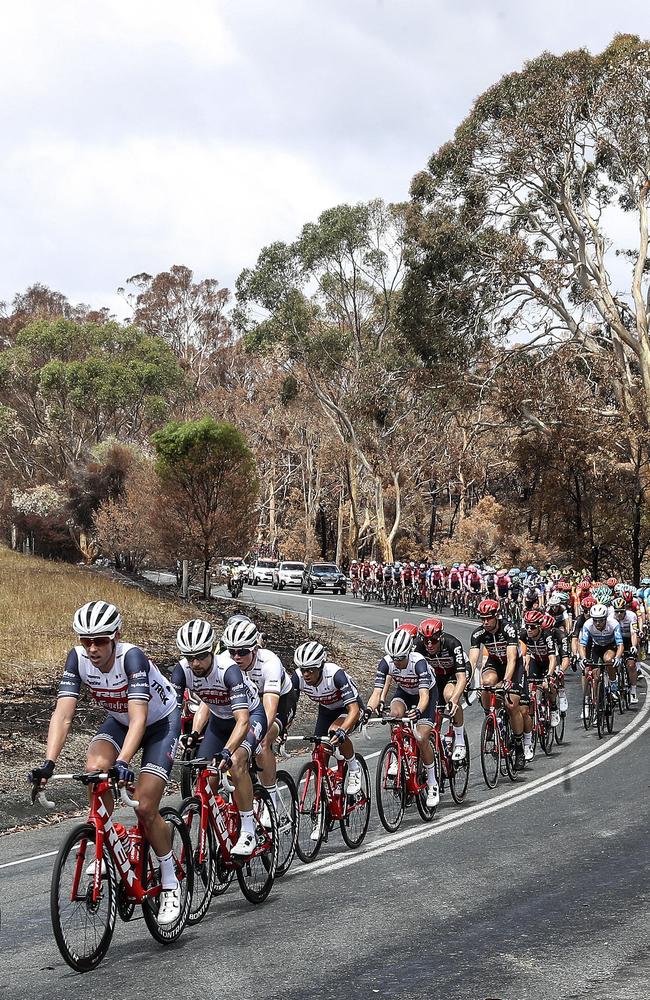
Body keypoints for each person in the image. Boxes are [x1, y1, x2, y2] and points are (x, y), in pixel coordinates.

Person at [28, 601, 182, 924]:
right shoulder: (78, 659)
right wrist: (48, 763)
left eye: (99, 641)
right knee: (95, 768)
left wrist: (125, 761)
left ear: (116, 637)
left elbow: (140, 719)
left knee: (143, 805)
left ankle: (170, 879)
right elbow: (63, 714)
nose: (92, 648)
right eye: (86, 640)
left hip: (159, 723)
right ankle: (105, 842)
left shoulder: (132, 658)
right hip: (120, 721)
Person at [171, 618, 267, 856]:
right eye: (189, 657)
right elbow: (171, 714)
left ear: (212, 649)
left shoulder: (229, 670)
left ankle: (247, 831)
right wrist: (189, 734)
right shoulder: (182, 670)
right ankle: (219, 829)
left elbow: (243, 721)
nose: (195, 663)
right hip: (219, 720)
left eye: (200, 656)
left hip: (250, 716)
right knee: (206, 779)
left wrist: (227, 751)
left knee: (235, 763)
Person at [365, 628, 439, 807]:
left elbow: (424, 697)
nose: (396, 662)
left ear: (408, 653)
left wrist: (419, 712)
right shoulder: (386, 662)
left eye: (400, 658)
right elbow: (376, 693)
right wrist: (368, 710)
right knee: (394, 715)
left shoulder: (418, 662)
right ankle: (399, 755)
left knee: (421, 737)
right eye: (393, 658)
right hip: (405, 692)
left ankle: (432, 782)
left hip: (426, 694)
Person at [292, 640, 363, 795]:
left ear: (320, 666)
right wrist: (282, 728)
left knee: (335, 731)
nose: (305, 674)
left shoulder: (335, 674)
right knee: (319, 754)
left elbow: (354, 710)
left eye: (310, 670)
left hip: (349, 708)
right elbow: (289, 708)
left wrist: (343, 730)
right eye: (303, 669)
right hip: (326, 711)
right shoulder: (298, 677)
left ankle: (353, 767)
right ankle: (324, 805)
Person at [468, 598, 527, 770]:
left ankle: (519, 747)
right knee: (486, 684)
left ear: (496, 616)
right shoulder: (478, 634)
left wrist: (507, 681)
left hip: (512, 667)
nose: (485, 622)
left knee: (511, 706)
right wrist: (467, 681)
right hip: (494, 663)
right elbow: (472, 661)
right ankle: (491, 719)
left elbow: (512, 658)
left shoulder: (508, 628)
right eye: (482, 618)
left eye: (489, 618)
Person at [414, 617, 469, 762]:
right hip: (435, 677)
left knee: (449, 695)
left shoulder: (453, 644)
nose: (429, 645)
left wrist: (455, 700)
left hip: (454, 674)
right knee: (433, 709)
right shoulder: (418, 646)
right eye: (426, 641)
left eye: (433, 640)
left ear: (440, 637)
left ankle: (459, 740)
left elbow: (461, 678)